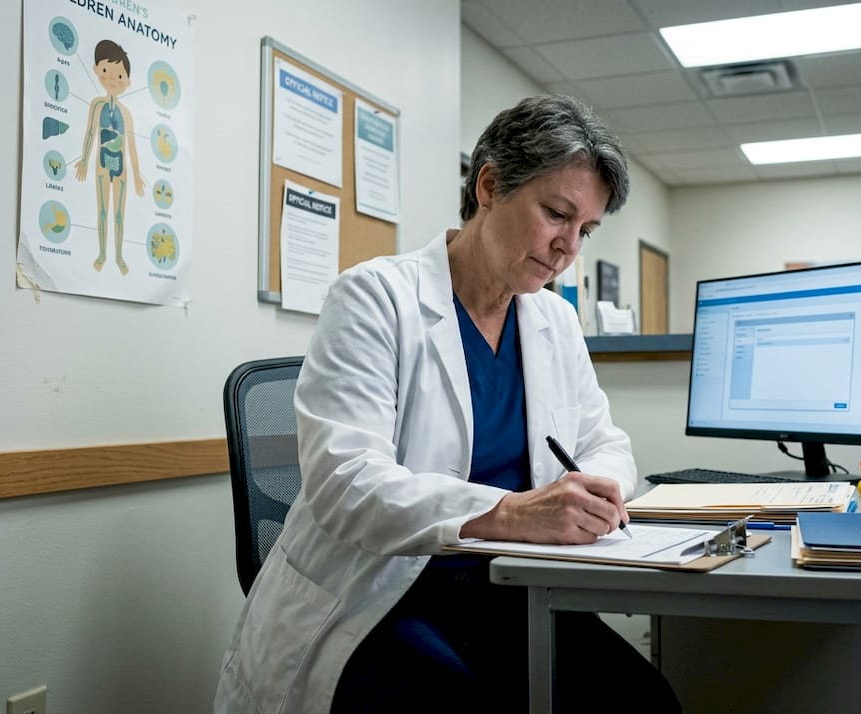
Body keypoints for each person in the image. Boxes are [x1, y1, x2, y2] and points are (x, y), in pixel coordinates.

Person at [214, 95, 681, 714]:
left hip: (511, 590)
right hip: (384, 593)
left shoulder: (555, 321)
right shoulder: (374, 298)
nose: (569, 247)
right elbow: (345, 483)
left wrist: (597, 492)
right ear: (489, 185)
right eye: (556, 214)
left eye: (585, 230)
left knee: (643, 700)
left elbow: (604, 441)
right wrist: (512, 513)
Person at [76, 39, 145, 275]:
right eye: (106, 71)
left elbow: (132, 145)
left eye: (119, 75)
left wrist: (137, 175)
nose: (112, 79)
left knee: (119, 214)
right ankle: (103, 253)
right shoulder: (96, 105)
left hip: (122, 167)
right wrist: (84, 160)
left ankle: (118, 255)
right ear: (96, 70)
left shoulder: (127, 113)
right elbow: (90, 133)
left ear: (127, 81)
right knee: (103, 210)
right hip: (102, 164)